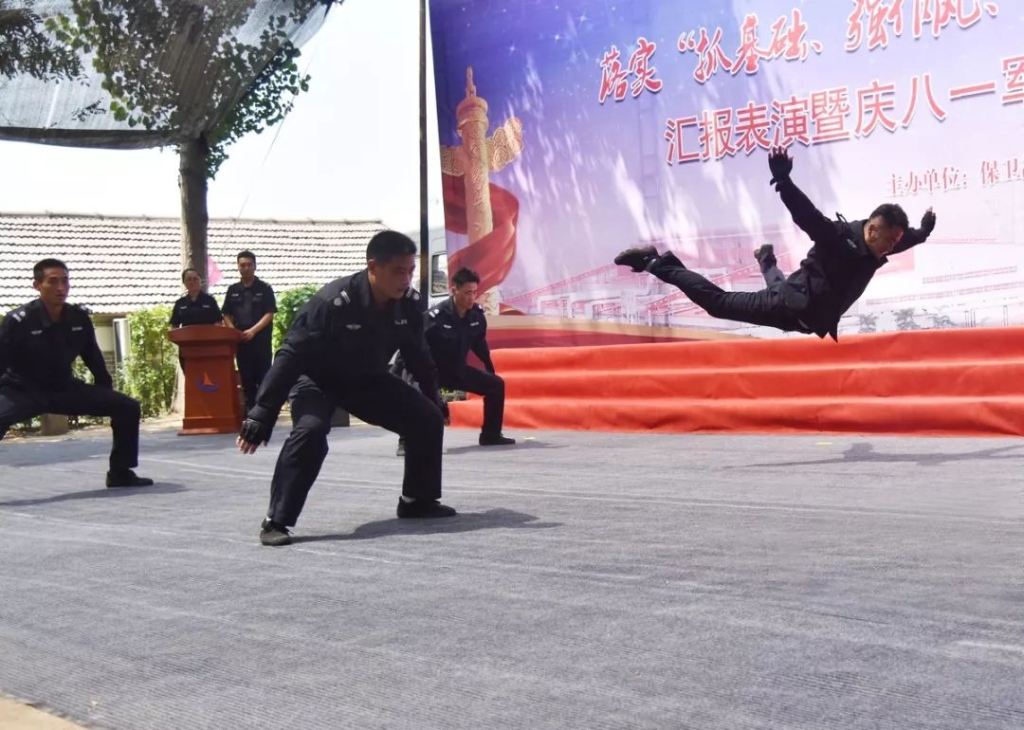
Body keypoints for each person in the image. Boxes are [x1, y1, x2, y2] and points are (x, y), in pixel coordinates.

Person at [236, 231, 456, 547]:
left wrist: (434, 397)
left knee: (427, 418)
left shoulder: (408, 304)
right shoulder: (333, 302)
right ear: (373, 267)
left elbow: (419, 357)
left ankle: (416, 500)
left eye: (410, 271)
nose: (406, 279)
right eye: (398, 271)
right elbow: (290, 355)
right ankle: (277, 520)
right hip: (317, 381)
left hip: (367, 381)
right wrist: (261, 413)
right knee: (311, 432)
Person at [614, 148, 937, 340]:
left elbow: (904, 240)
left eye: (896, 242)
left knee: (783, 283)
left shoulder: (877, 246)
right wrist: (784, 181)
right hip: (786, 306)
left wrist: (922, 233)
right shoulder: (838, 237)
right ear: (873, 229)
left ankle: (766, 258)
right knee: (719, 304)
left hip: (801, 308)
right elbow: (808, 216)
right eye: (890, 240)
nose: (892, 248)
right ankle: (657, 263)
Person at [0, 259, 153, 488]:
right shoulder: (18, 320)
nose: (61, 288)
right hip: (22, 389)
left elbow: (93, 356)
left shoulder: (78, 318)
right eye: (53, 282)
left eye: (65, 281)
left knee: (127, 407)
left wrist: (105, 394)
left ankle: (120, 473)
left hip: (64, 388)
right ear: (37, 285)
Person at [394, 266, 514, 456]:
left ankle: (491, 435)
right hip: (429, 372)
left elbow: (479, 344)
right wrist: (399, 374)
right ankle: (406, 442)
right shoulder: (435, 317)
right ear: (454, 290)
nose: (471, 297)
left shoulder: (476, 315)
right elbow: (411, 346)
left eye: (474, 292)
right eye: (467, 292)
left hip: (455, 370)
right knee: (415, 397)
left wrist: (490, 369)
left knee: (496, 385)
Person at [221, 251, 276, 413]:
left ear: (255, 266)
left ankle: (264, 412)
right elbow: (226, 314)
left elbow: (269, 313)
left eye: (249, 265)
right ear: (238, 267)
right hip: (241, 343)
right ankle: (251, 411)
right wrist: (234, 332)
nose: (246, 268)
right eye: (242, 265)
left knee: (263, 377)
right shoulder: (232, 289)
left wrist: (253, 331)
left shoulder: (265, 288)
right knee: (246, 379)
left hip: (260, 341)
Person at [169, 268, 224, 370]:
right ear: (184, 283)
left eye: (195, 278)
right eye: (189, 279)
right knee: (192, 378)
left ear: (200, 281)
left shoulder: (210, 301)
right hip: (187, 350)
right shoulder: (180, 304)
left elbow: (219, 323)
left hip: (208, 349)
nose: (192, 281)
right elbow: (174, 327)